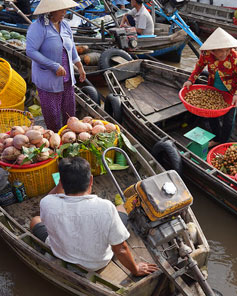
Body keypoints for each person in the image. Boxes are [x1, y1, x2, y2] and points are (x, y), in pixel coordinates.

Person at [30, 157, 158, 276]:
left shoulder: (47, 202)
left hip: (61, 254)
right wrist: (135, 269)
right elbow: (121, 250)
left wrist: (62, 183)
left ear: (61, 183)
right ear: (91, 180)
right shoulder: (105, 208)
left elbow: (51, 197)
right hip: (94, 264)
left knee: (35, 220)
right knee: (123, 208)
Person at [183, 27, 237, 147]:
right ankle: (217, 138)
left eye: (227, 50)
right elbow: (199, 67)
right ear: (213, 51)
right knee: (212, 116)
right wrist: (190, 80)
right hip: (213, 89)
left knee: (228, 120)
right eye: (221, 51)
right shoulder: (206, 54)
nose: (225, 54)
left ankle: (223, 143)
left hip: (232, 92)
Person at [26, 0, 86, 133]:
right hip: (48, 79)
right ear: (50, 11)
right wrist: (53, 66)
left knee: (69, 112)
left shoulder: (65, 25)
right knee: (52, 115)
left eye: (66, 9)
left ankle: (68, 138)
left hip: (67, 77)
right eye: (61, 9)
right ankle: (54, 140)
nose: (65, 12)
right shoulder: (38, 27)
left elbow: (72, 47)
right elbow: (31, 51)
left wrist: (79, 66)